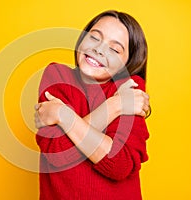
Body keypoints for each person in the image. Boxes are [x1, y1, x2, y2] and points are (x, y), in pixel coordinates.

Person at [34, 10, 150, 200]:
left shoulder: (129, 88)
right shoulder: (57, 76)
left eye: (115, 49)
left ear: (127, 63)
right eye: (94, 37)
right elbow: (59, 153)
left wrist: (63, 114)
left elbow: (118, 164)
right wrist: (116, 106)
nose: (99, 49)